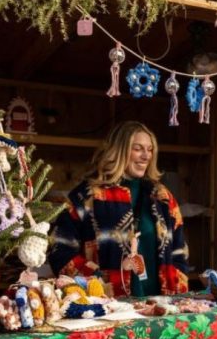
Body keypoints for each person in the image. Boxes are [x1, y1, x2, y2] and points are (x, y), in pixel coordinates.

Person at [49, 121, 189, 296]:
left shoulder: (162, 197)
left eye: (150, 149)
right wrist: (97, 281)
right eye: (138, 148)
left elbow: (179, 251)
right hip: (107, 308)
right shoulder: (89, 196)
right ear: (120, 150)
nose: (146, 156)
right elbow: (60, 251)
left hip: (160, 306)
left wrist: (177, 290)